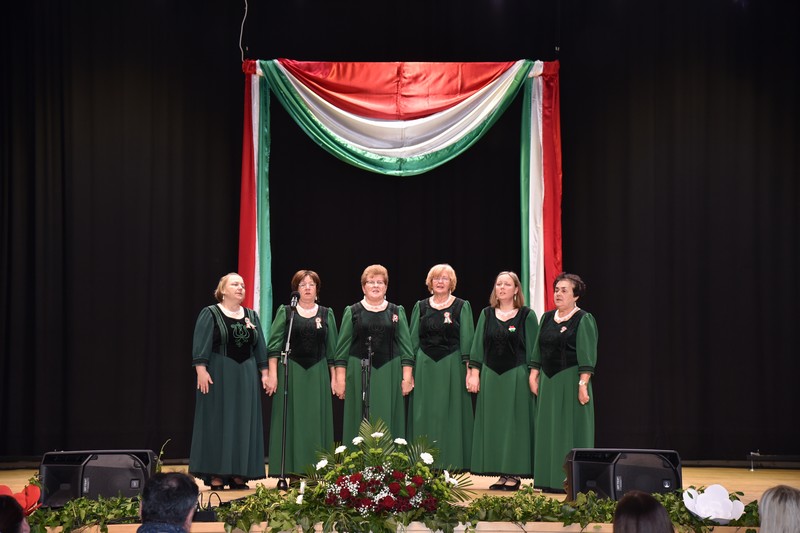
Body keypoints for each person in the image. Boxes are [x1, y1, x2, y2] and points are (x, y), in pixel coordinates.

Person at [189, 272, 270, 490]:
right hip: (219, 373)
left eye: (242, 285)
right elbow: (201, 342)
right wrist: (201, 370)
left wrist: (264, 372)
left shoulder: (251, 316)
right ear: (223, 290)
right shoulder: (210, 313)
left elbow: (259, 346)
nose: (240, 288)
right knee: (218, 420)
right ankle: (216, 472)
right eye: (235, 284)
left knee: (243, 421)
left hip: (246, 375)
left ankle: (238, 473)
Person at [467, 271, 539, 490]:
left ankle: (514, 473)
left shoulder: (526, 315)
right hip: (491, 377)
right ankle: (501, 472)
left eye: (507, 284)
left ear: (516, 289)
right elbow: (478, 346)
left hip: (516, 377)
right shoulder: (486, 314)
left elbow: (534, 350)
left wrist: (533, 375)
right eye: (499, 284)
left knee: (514, 425)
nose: (502, 288)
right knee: (494, 425)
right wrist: (474, 373)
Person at [265, 270, 338, 479]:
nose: (307, 288)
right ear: (296, 290)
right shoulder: (286, 312)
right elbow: (274, 346)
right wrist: (273, 374)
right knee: (292, 421)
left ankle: (317, 471)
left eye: (311, 284)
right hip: (291, 372)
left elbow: (332, 350)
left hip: (318, 373)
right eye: (302, 284)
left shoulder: (326, 313)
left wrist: (335, 378)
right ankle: (291, 470)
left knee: (315, 421)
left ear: (317, 289)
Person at [531, 272, 598, 493]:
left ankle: (569, 481)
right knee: (548, 430)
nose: (558, 294)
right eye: (556, 290)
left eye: (564, 290)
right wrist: (533, 374)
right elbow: (537, 350)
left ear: (576, 295)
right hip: (548, 383)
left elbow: (587, 356)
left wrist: (583, 385)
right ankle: (547, 480)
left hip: (570, 381)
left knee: (568, 430)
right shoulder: (546, 318)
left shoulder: (583, 319)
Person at [333, 264, 414, 442]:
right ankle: (357, 458)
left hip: (390, 372)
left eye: (380, 282)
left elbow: (406, 348)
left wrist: (407, 378)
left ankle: (390, 458)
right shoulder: (352, 311)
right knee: (358, 419)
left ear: (386, 287)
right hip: (358, 372)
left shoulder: (396, 311)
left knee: (388, 419)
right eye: (371, 282)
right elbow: (342, 349)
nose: (375, 285)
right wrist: (340, 379)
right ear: (363, 287)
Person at [407, 263, 475, 470]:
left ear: (451, 282)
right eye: (436, 278)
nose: (440, 282)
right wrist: (409, 372)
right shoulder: (420, 307)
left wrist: (469, 371)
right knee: (424, 412)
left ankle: (451, 463)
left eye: (445, 278)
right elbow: (412, 341)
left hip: (452, 365)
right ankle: (422, 463)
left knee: (450, 414)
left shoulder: (461, 306)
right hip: (425, 366)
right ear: (430, 282)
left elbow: (467, 340)